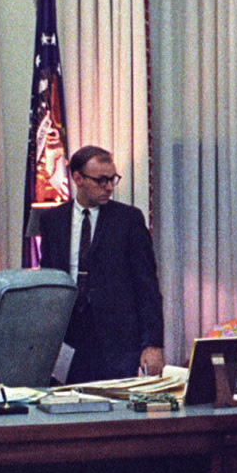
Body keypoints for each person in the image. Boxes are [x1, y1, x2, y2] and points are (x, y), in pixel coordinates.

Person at [37, 146, 165, 383]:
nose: (109, 187)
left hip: (118, 340)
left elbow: (147, 285)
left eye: (112, 179)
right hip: (70, 338)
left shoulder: (128, 220)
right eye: (101, 180)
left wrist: (153, 344)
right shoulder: (53, 220)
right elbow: (49, 280)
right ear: (78, 179)